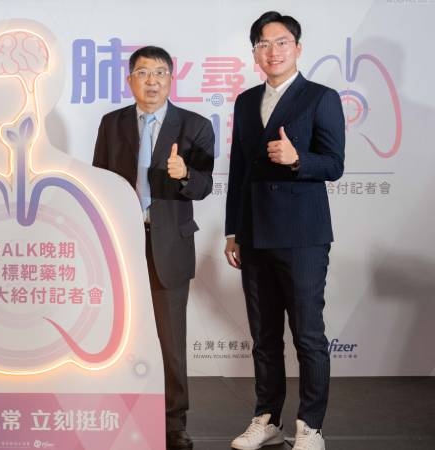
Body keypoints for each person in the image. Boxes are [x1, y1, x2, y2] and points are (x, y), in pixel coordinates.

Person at [225, 11, 345, 450]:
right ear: (254, 52)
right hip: (255, 233)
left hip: (302, 235)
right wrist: (233, 230)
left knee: (308, 335)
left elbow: (334, 164)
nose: (272, 51)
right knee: (264, 336)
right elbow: (238, 170)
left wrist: (297, 159)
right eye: (263, 44)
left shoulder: (320, 98)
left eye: (281, 43)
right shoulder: (245, 101)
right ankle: (267, 418)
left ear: (297, 48)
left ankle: (310, 425)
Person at [93, 45, 214, 450]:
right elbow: (99, 181)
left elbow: (204, 185)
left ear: (171, 79)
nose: (152, 81)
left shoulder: (194, 126)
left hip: (169, 245)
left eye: (160, 73)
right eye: (143, 73)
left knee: (170, 341)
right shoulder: (112, 124)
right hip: (121, 244)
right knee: (118, 335)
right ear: (130, 80)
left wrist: (185, 174)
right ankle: (117, 410)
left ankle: (173, 422)